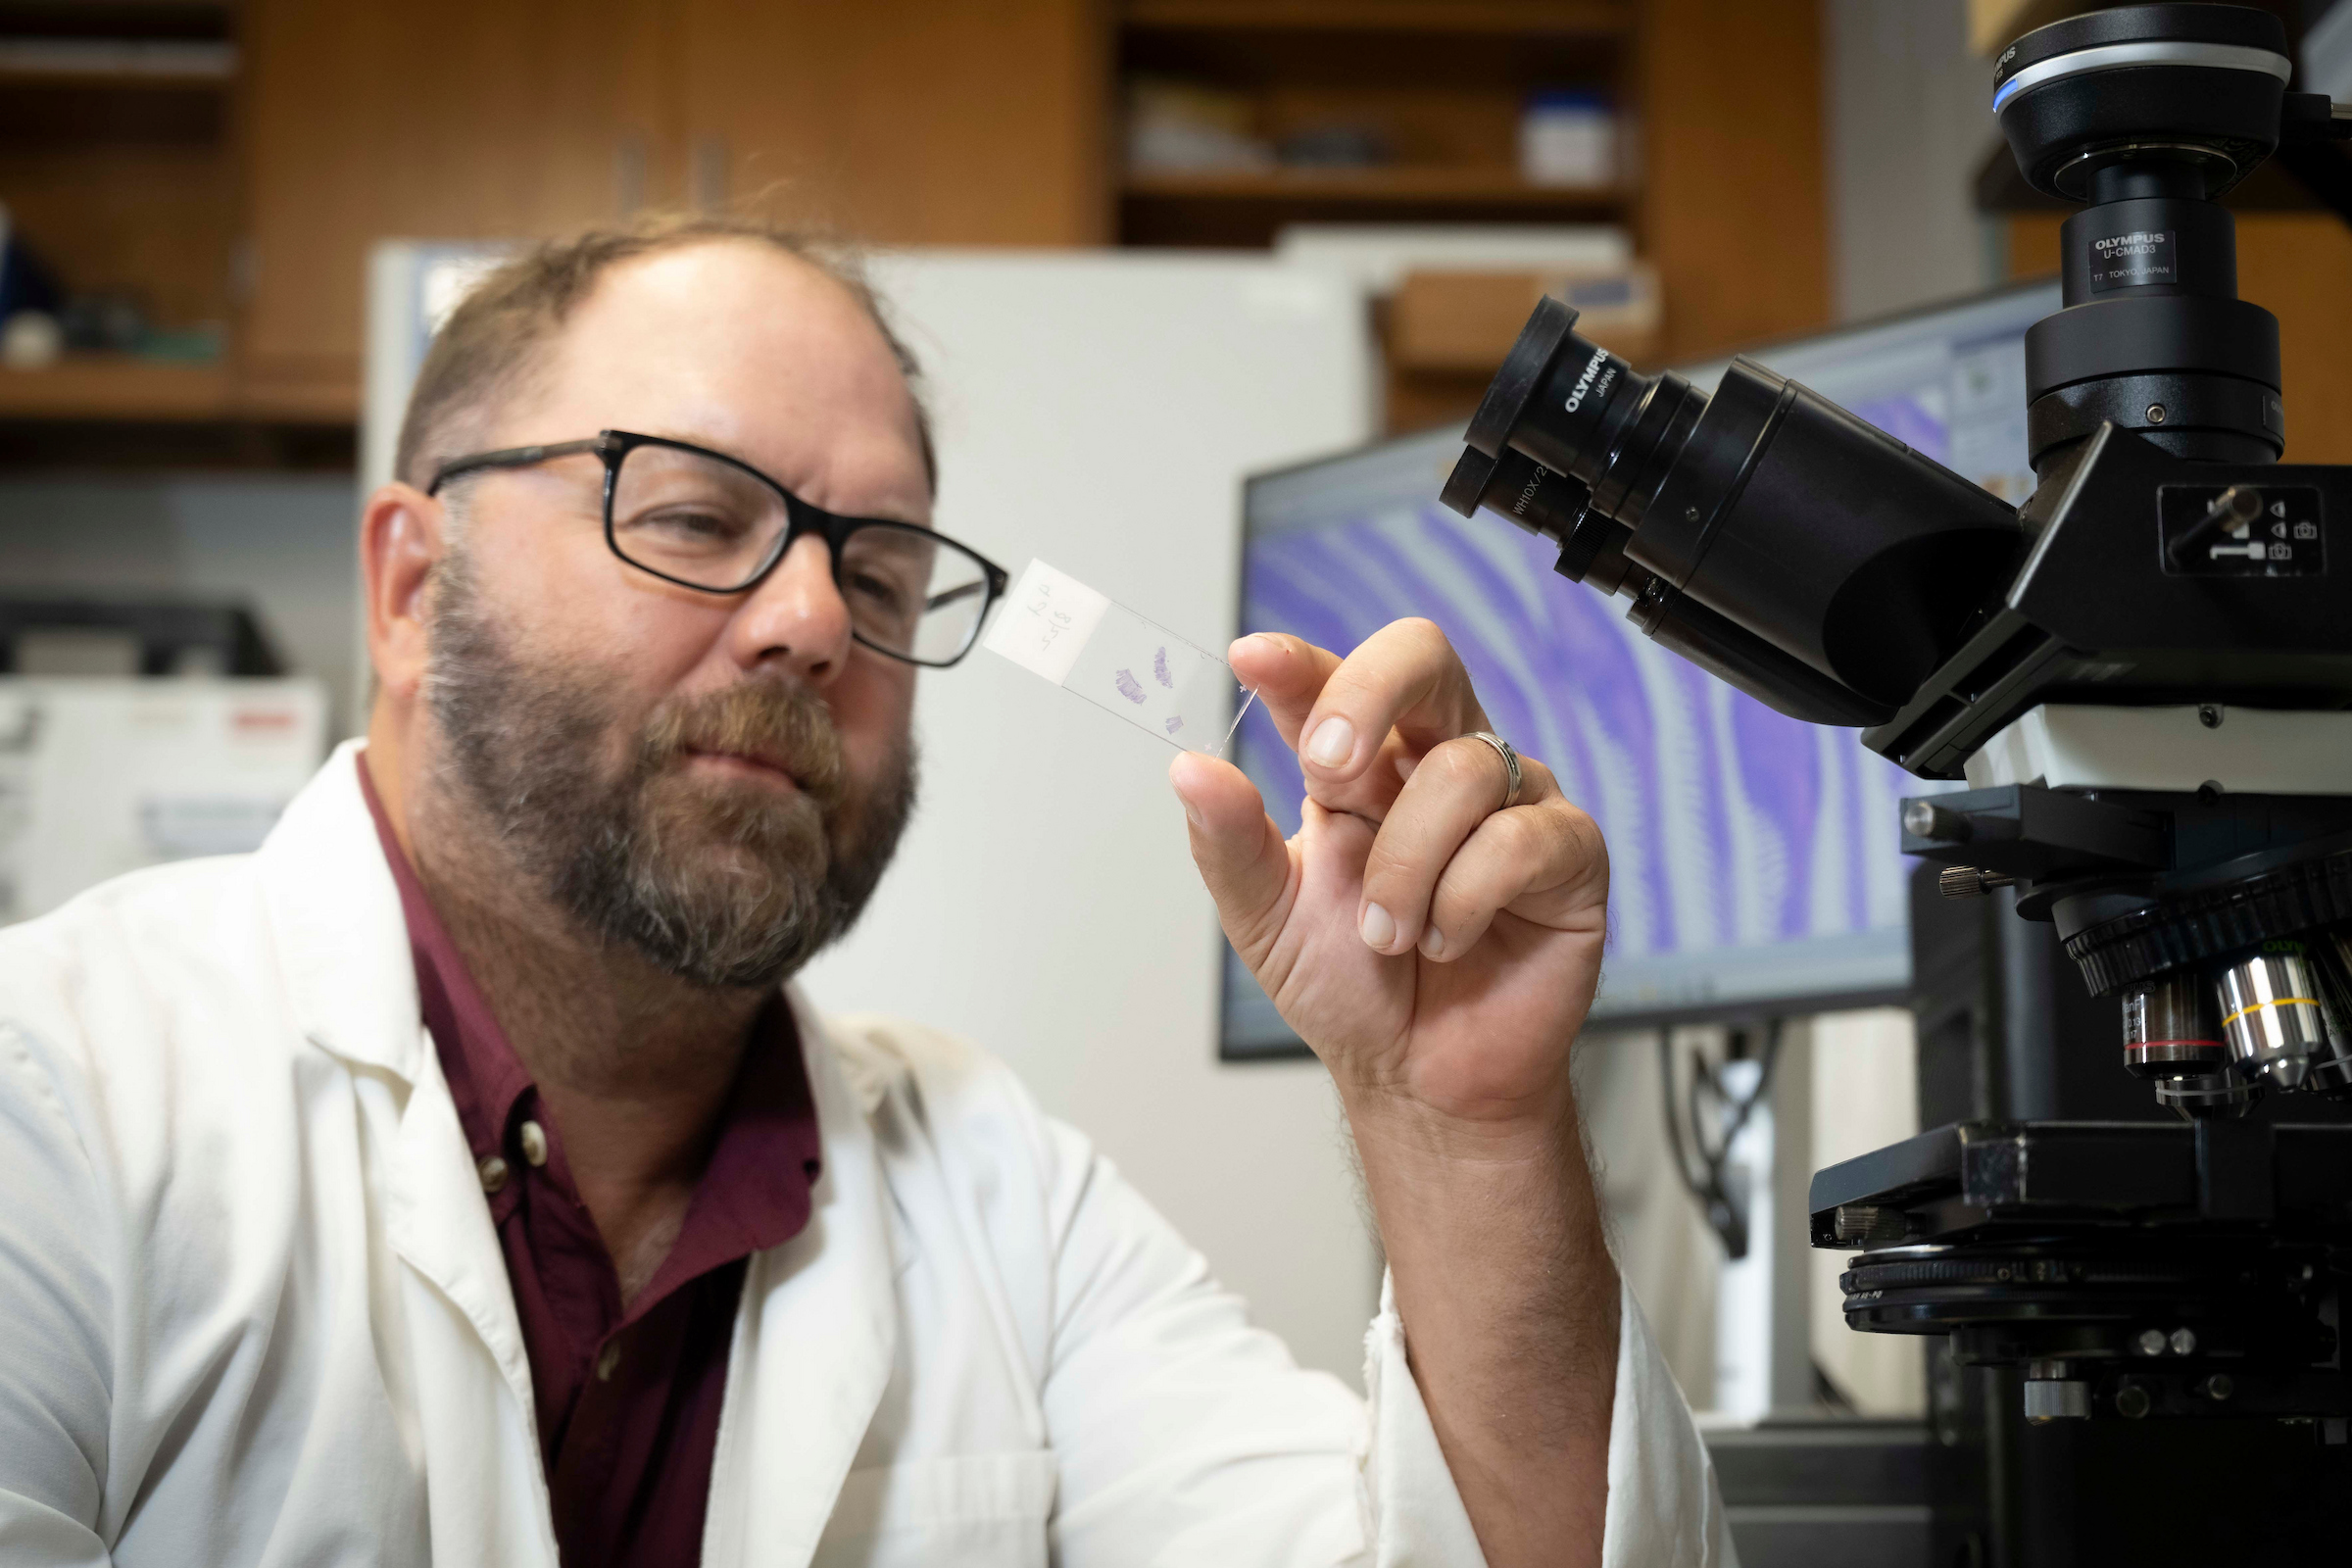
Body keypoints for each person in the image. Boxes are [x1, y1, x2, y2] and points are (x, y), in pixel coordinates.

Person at [0, 215, 1728, 1568]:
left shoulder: (1002, 1199)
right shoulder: (55, 1107)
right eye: (686, 516)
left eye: (883, 564)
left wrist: (1462, 1136)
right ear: (404, 587)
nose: (817, 621)